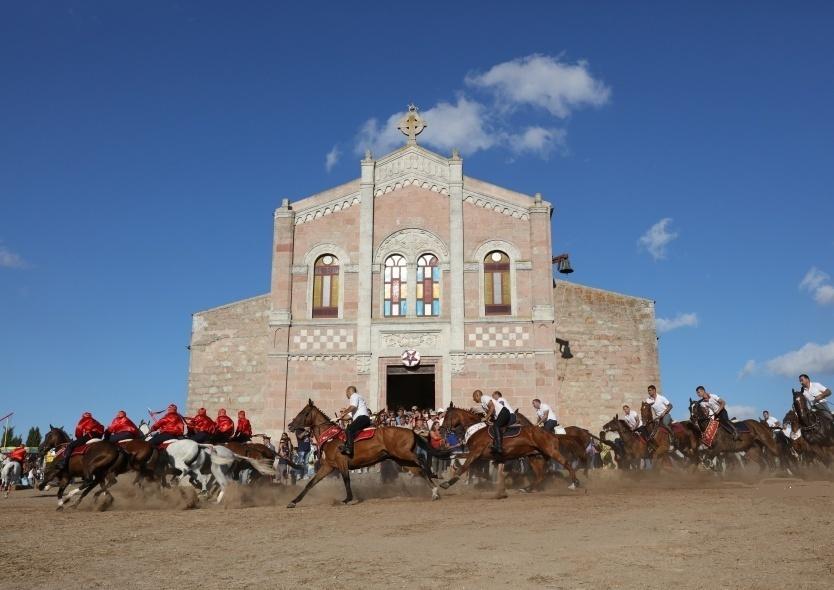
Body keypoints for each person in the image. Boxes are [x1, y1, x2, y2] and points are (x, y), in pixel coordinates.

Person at [337, 385, 371, 457]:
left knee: (349, 430)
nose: (346, 395)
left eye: (346, 393)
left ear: (348, 391)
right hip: (363, 419)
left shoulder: (354, 396)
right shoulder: (356, 399)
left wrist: (343, 413)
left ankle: (349, 449)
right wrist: (340, 418)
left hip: (362, 418)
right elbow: (349, 416)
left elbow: (353, 407)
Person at [489, 390, 515, 456]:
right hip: (508, 416)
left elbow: (501, 407)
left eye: (493, 395)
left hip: (510, 416)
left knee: (499, 428)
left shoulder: (500, 399)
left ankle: (499, 446)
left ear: (497, 395)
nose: (492, 397)